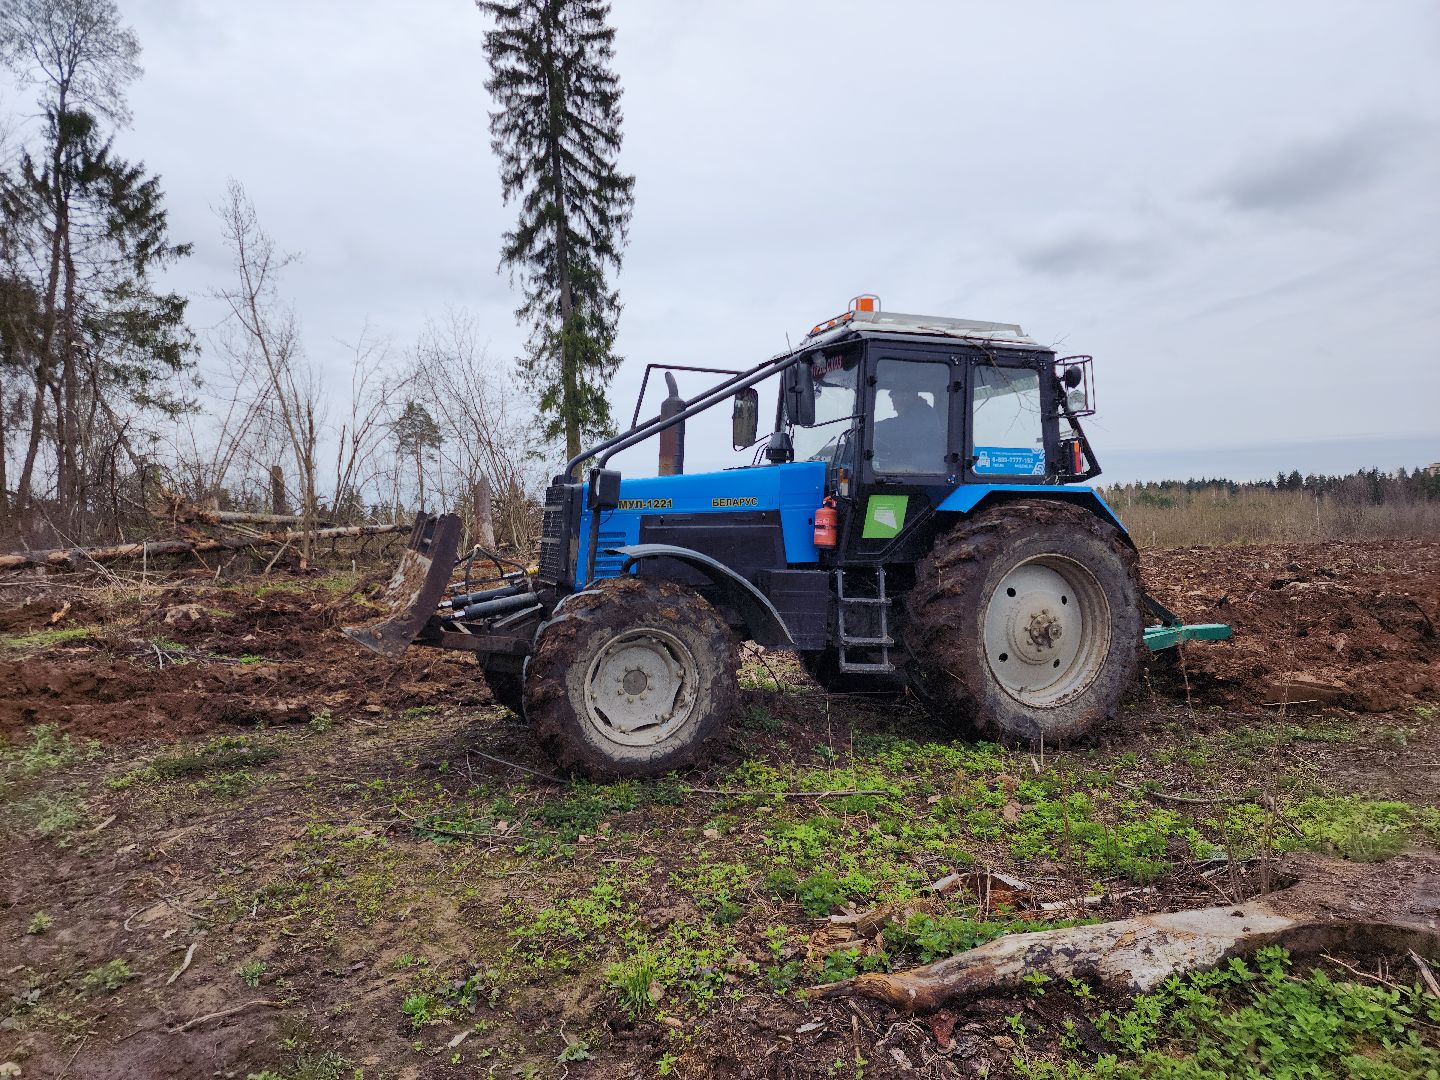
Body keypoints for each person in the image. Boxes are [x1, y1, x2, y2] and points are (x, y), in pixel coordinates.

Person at [872, 388, 946, 474]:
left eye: (894, 396)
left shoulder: (921, 413)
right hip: (914, 459)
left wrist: (875, 427)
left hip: (922, 464)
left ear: (906, 396)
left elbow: (901, 426)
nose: (892, 401)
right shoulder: (917, 412)